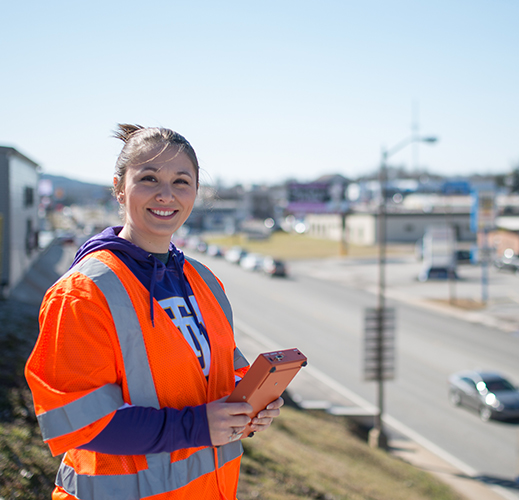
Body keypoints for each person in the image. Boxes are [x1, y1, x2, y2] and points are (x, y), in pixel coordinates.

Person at [25, 124, 284, 500]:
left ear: (196, 191)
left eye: (182, 181)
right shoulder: (82, 292)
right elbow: (81, 421)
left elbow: (224, 370)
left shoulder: (204, 280)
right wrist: (197, 426)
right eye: (149, 178)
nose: (167, 194)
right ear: (118, 187)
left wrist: (252, 407)